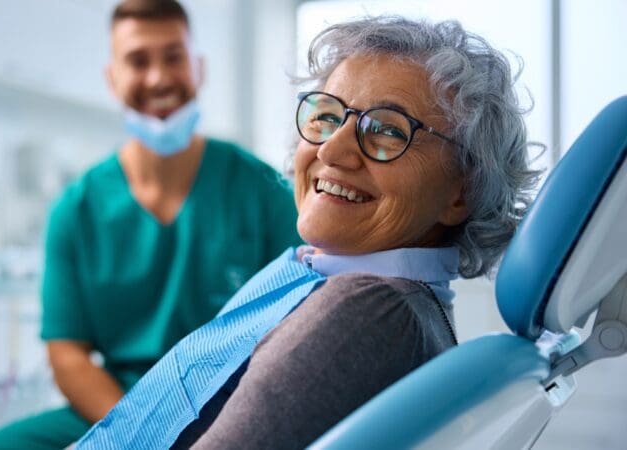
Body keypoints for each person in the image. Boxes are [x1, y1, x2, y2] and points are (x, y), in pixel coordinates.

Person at [74, 15, 541, 449]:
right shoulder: (334, 281)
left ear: (462, 190)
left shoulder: (369, 309)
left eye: (387, 130)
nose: (332, 149)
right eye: (326, 116)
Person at [0, 1, 300, 449]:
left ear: (199, 68)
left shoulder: (262, 190)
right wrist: (138, 431)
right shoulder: (77, 210)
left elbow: (300, 321)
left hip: (234, 402)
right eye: (138, 61)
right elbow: (68, 354)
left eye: (174, 57)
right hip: (119, 405)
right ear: (112, 78)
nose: (158, 77)